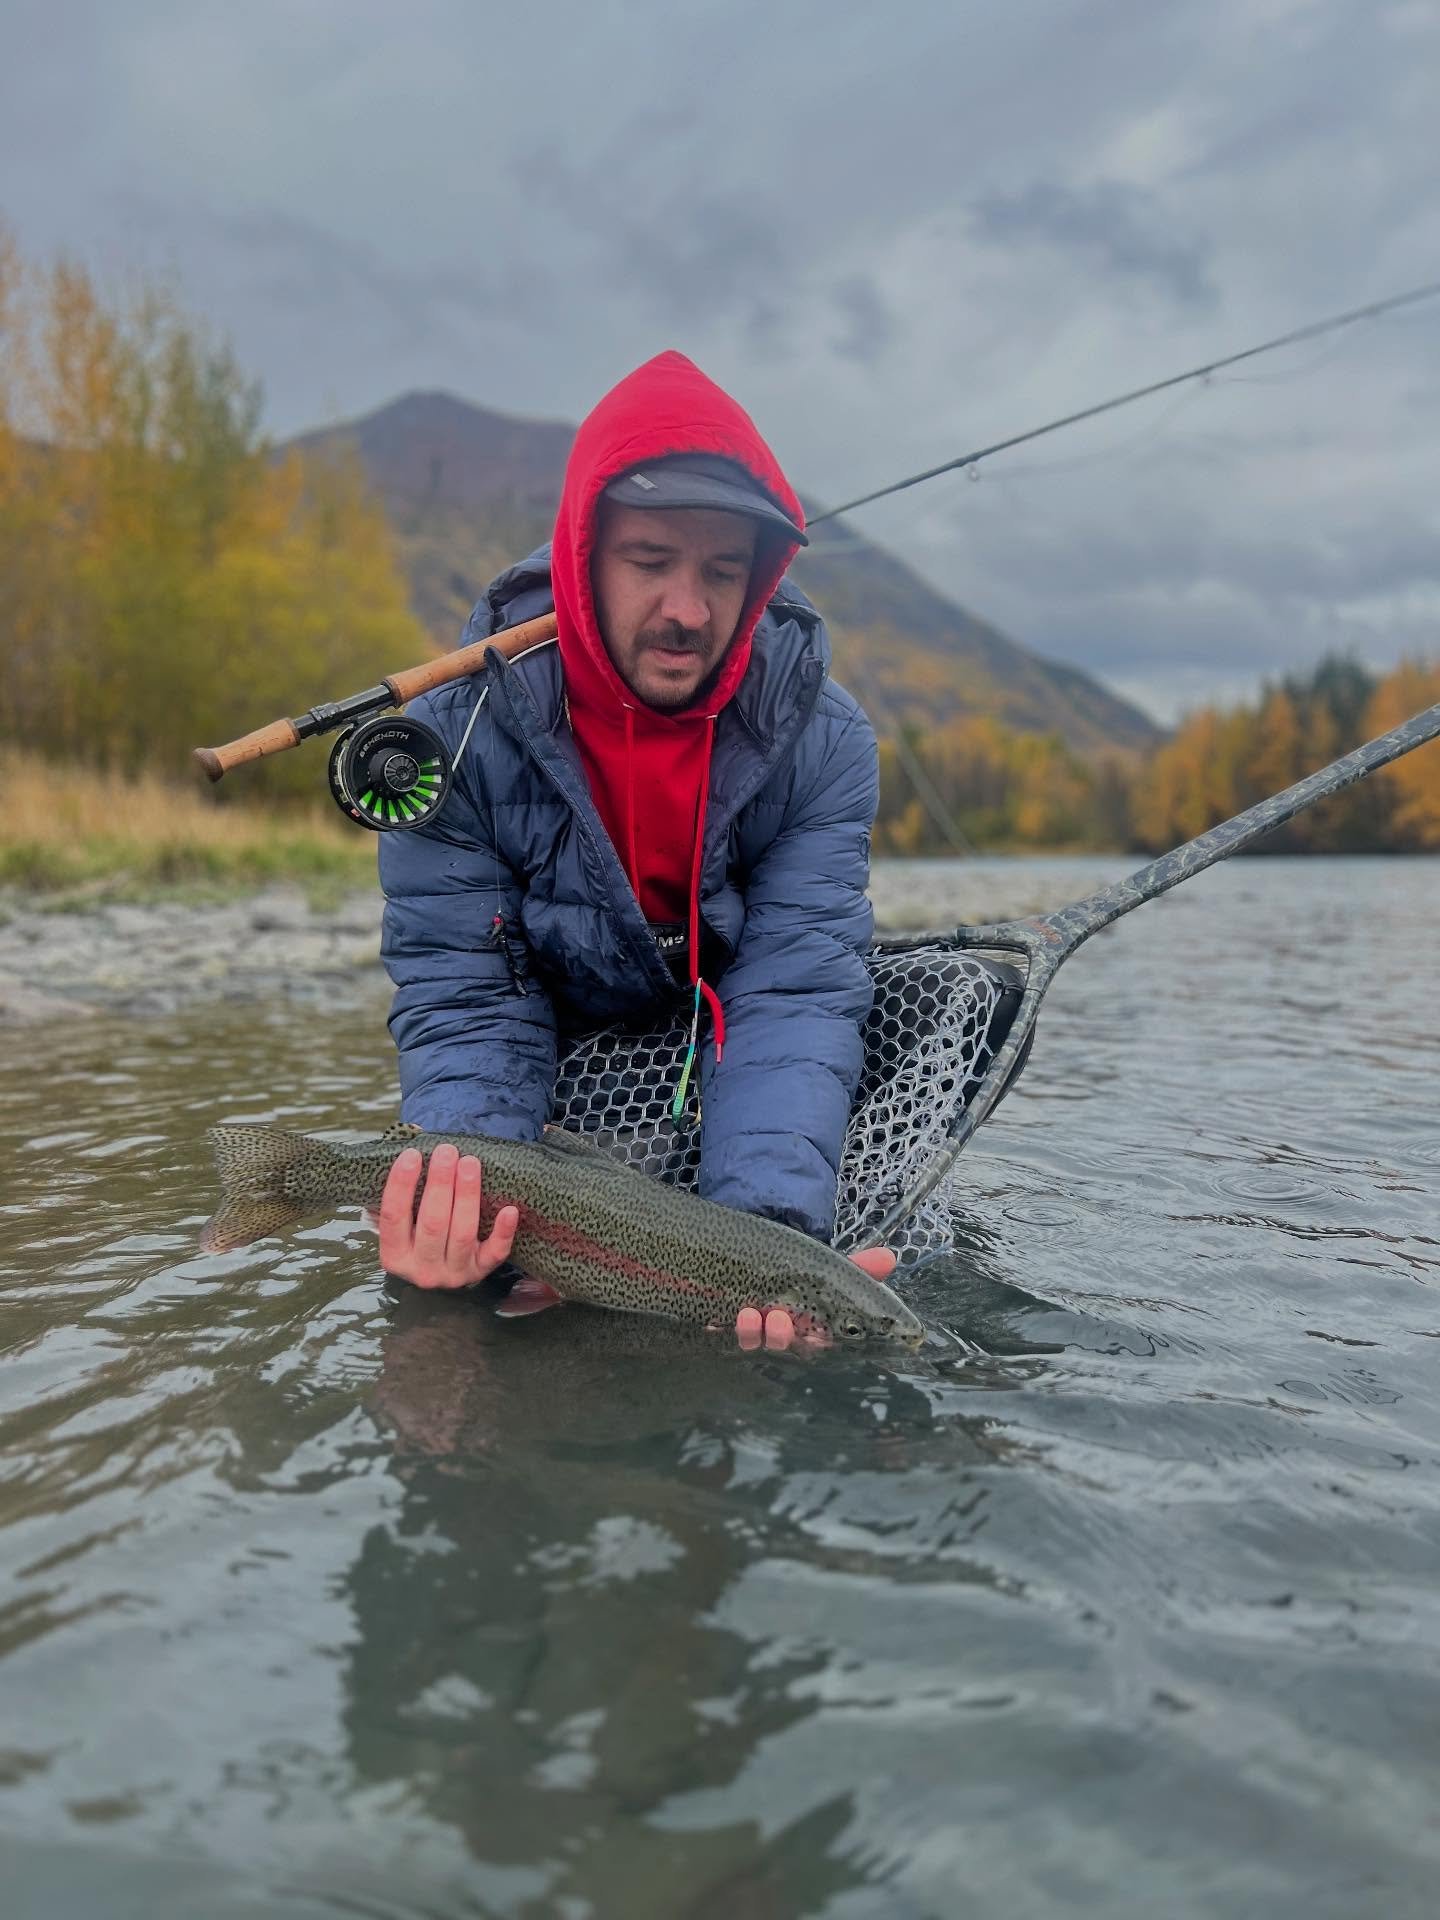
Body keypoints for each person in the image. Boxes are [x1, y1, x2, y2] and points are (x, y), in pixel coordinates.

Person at [375, 350, 894, 1349]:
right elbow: (469, 996)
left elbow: (792, 992)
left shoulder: (823, 741)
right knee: (448, 1295)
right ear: (584, 556)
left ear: (759, 578)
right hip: (545, 1033)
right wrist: (469, 1198)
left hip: (719, 1022)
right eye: (652, 561)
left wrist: (773, 1244)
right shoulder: (452, 737)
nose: (689, 610)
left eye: (723, 572)